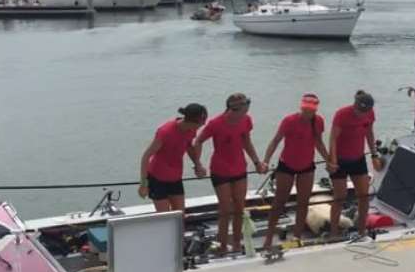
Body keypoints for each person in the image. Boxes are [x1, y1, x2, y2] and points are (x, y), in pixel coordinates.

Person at [194, 93, 267, 255]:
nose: (248, 109)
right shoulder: (215, 123)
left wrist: (257, 162)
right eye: (245, 106)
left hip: (240, 168)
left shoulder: (246, 120)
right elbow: (198, 141)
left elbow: (246, 141)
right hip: (220, 170)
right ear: (235, 108)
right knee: (225, 208)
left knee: (239, 208)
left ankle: (236, 242)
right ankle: (221, 245)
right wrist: (198, 164)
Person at [262, 94, 329, 250]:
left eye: (311, 110)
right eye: (305, 109)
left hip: (307, 166)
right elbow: (275, 140)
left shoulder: (318, 121)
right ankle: (268, 237)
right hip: (287, 165)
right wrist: (266, 160)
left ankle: (297, 236)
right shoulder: (289, 121)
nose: (308, 112)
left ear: (315, 110)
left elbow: (319, 142)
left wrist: (329, 159)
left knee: (303, 202)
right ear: (301, 107)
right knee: (279, 201)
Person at [327, 90, 382, 241]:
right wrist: (332, 160)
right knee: (340, 196)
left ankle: (361, 230)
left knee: (364, 196)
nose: (362, 115)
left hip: (358, 158)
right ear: (355, 105)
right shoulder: (342, 114)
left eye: (365, 112)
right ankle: (333, 233)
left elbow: (369, 134)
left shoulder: (370, 114)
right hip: (339, 159)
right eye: (359, 111)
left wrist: (374, 155)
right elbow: (332, 138)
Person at [138, 104, 208, 212]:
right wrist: (143, 184)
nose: (204, 124)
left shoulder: (191, 130)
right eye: (202, 122)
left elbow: (189, 146)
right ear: (191, 121)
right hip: (157, 178)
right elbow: (146, 157)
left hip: (175, 178)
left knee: (179, 216)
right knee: (165, 218)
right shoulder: (165, 132)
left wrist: (198, 164)